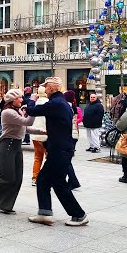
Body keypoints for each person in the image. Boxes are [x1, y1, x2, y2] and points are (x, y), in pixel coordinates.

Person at [25, 76, 89, 226]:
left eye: (46, 87)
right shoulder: (62, 103)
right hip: (61, 149)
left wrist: (32, 99)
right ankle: (48, 213)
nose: (44, 90)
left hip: (59, 150)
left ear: (52, 88)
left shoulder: (56, 103)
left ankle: (76, 214)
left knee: (46, 181)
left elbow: (31, 110)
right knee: (54, 182)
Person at [0, 89, 38, 214]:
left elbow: (25, 127)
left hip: (17, 146)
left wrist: (44, 132)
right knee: (7, 177)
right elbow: (27, 121)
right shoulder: (7, 112)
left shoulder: (17, 111)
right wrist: (32, 103)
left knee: (17, 178)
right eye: (19, 98)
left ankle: (5, 205)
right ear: (12, 100)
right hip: (8, 145)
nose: (22, 100)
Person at [27, 86, 48, 186]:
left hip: (35, 134)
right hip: (46, 134)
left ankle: (34, 178)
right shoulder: (49, 102)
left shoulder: (35, 103)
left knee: (37, 158)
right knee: (49, 158)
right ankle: (47, 178)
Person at [63, 90, 82, 190]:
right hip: (74, 134)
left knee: (66, 160)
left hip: (69, 135)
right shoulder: (74, 107)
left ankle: (73, 181)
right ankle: (70, 181)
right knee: (67, 160)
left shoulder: (66, 107)